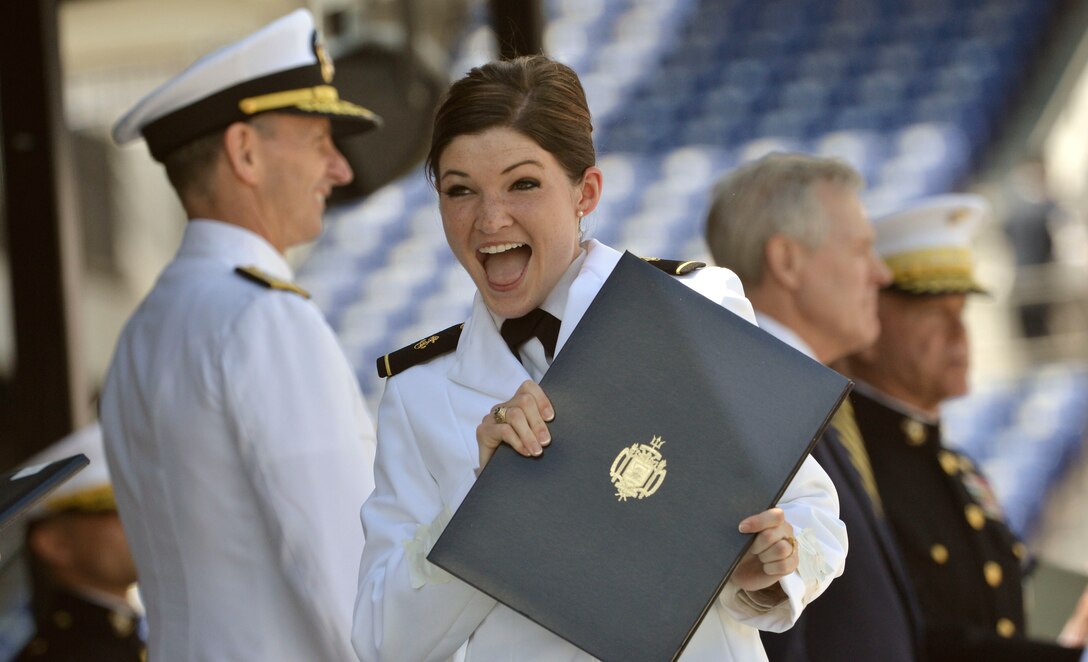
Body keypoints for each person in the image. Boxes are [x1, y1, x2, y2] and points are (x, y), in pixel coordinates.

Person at [353, 55, 847, 661]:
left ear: (585, 191)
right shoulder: (418, 394)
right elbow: (383, 641)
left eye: (523, 183)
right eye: (460, 191)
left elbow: (814, 513)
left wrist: (768, 568)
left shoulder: (692, 310)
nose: (489, 219)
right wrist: (488, 505)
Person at [100, 10, 380, 660]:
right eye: (319, 141)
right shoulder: (266, 317)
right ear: (245, 153)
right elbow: (350, 583)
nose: (339, 169)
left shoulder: (143, 331)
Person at [836, 194, 1084, 661]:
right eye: (933, 313)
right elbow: (910, 637)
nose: (959, 333)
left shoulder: (949, 464)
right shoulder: (849, 464)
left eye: (961, 311)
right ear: (869, 325)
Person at [705, 152, 926, 661]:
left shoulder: (797, 393)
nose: (881, 274)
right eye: (860, 249)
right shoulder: (752, 400)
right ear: (788, 261)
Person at [16, 423, 144, 662]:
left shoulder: (120, 640)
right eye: (119, 510)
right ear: (55, 543)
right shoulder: (64, 654)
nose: (143, 523)